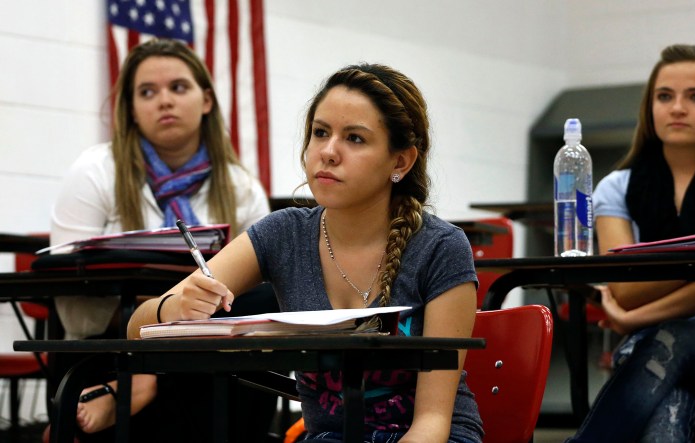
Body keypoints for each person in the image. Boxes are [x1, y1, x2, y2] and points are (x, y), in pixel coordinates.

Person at [128, 63, 484, 443]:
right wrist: (178, 307)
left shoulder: (441, 248)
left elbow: (432, 421)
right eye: (320, 132)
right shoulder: (284, 233)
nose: (328, 152)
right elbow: (138, 328)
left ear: (400, 161)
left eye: (355, 139)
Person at [50, 39, 275, 440]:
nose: (164, 101)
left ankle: (147, 380)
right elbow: (74, 310)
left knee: (267, 298)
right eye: (147, 92)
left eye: (178, 87)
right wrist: (169, 308)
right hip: (113, 347)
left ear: (206, 100)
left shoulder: (240, 186)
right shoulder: (95, 170)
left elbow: (255, 292)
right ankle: (142, 373)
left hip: (210, 346)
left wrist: (189, 312)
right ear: (132, 109)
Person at [566, 44, 695, 442]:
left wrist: (636, 318)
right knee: (670, 399)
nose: (677, 108)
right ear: (650, 107)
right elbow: (624, 288)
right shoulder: (616, 187)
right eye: (665, 96)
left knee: (667, 343)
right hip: (655, 356)